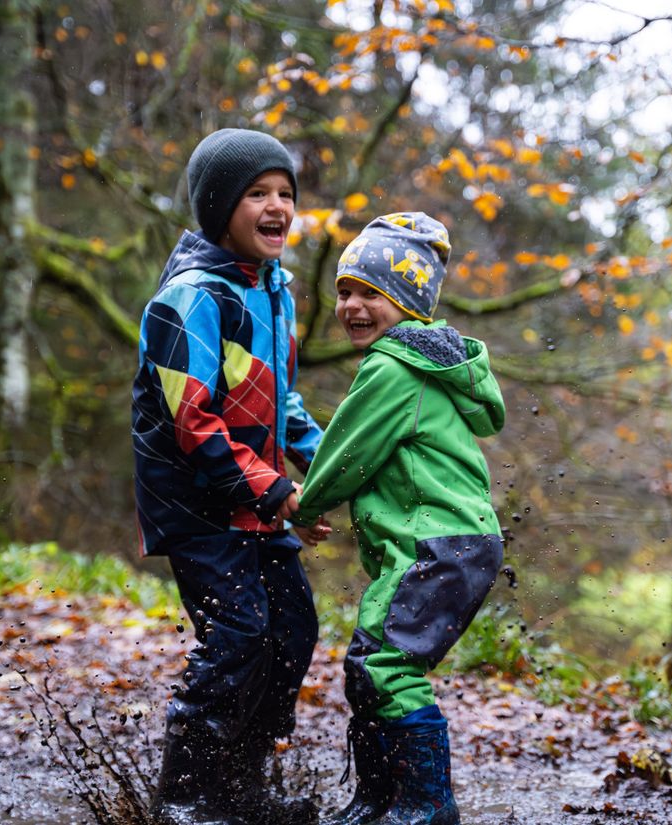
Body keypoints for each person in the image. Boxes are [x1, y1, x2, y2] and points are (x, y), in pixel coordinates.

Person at [131, 127, 330, 825]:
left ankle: (243, 786)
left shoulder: (274, 292)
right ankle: (184, 795)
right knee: (240, 634)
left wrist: (328, 467)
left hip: (254, 501)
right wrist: (278, 491)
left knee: (292, 630)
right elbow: (194, 422)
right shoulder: (189, 298)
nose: (278, 207)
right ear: (220, 207)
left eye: (285, 193)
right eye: (257, 194)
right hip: (197, 504)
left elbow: (281, 403)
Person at [291, 213, 506, 825]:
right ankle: (378, 800)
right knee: (372, 665)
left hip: (438, 544)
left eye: (371, 293)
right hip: (452, 542)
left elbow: (347, 453)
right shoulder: (423, 364)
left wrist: (304, 506)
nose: (352, 307)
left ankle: (425, 806)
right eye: (344, 291)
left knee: (386, 666)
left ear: (409, 303)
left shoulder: (392, 369)